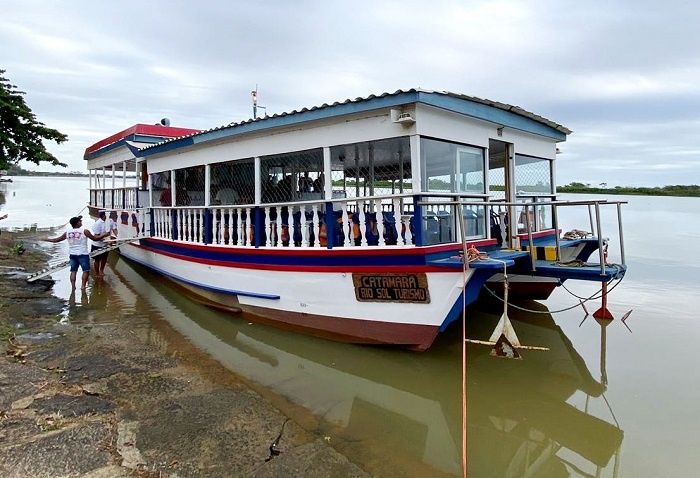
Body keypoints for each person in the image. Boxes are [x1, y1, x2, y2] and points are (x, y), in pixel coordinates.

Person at [43, 216, 110, 290]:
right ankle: (83, 286)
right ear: (77, 223)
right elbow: (95, 239)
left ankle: (73, 287)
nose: (81, 222)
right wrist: (105, 235)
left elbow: (56, 240)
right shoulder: (85, 231)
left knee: (73, 271)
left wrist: (46, 239)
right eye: (80, 221)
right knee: (86, 271)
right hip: (83, 254)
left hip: (72, 254)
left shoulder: (67, 232)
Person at [91, 210, 111, 277]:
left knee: (104, 258)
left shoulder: (109, 221)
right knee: (97, 260)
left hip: (105, 244)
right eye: (107, 215)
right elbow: (96, 236)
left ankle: (101, 270)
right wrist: (106, 240)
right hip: (97, 245)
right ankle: (97, 273)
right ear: (103, 216)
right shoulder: (98, 224)